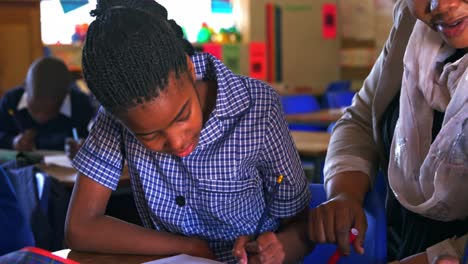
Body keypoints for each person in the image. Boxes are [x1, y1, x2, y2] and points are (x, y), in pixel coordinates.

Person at [64, 1, 312, 263]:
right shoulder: (120, 114)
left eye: (182, 116)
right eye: (150, 135)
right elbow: (80, 227)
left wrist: (276, 248)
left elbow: (300, 225)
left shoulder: (256, 106)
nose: (176, 141)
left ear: (190, 69)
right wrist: (188, 247)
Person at [308, 0, 467, 263]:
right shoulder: (411, 26)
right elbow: (360, 120)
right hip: (396, 245)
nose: (439, 6)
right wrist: (345, 194)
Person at [0, 57, 95, 152]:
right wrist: (13, 141)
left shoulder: (80, 105)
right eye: (35, 109)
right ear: (25, 88)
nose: (41, 116)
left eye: (49, 111)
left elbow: (92, 140)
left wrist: (83, 149)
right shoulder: (11, 101)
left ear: (65, 96)